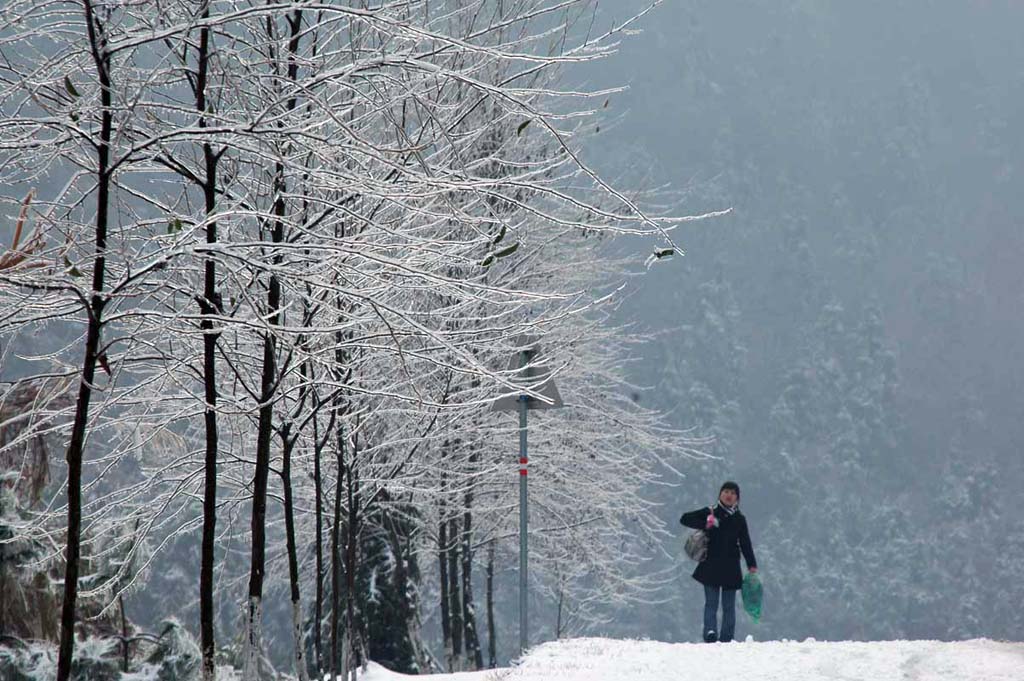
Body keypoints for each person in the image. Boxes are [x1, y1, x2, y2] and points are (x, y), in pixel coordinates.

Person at [680, 481, 757, 643]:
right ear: (720, 494)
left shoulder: (739, 519)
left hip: (731, 566)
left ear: (737, 498)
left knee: (729, 606)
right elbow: (685, 519)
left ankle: (727, 637)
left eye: (733, 493)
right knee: (711, 603)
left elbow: (745, 543)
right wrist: (705, 523)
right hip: (711, 565)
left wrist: (751, 564)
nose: (729, 495)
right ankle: (710, 632)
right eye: (726, 491)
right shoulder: (710, 511)